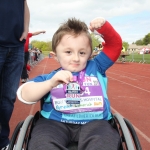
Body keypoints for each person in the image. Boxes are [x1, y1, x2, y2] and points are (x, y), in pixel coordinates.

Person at [17, 17, 122, 150]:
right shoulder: (49, 77)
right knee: (41, 143)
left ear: (89, 54)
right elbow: (24, 94)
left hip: (96, 123)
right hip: (54, 123)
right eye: (68, 52)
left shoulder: (97, 67)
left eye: (82, 52)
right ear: (55, 55)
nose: (76, 58)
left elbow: (115, 46)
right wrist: (50, 84)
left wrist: (104, 28)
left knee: (104, 143)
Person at [0, 0, 30, 149]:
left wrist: (26, 29)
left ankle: (3, 140)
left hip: (16, 46)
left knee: (8, 98)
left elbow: (24, 4)